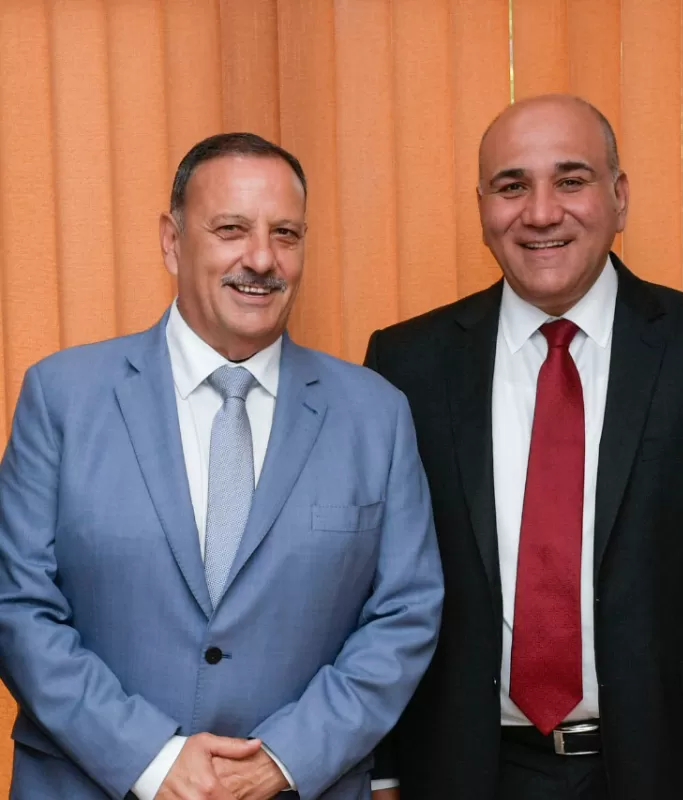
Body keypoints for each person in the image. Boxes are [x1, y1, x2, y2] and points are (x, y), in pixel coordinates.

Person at [364, 94, 683, 800]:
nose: (540, 212)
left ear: (619, 197)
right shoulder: (405, 365)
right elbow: (379, 592)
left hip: (675, 771)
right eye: (512, 186)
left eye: (571, 181)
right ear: (482, 207)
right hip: (465, 772)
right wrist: (382, 775)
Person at [0, 133, 444, 800]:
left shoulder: (376, 416)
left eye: (286, 234)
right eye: (231, 229)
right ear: (172, 241)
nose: (262, 258)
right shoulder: (62, 397)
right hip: (88, 784)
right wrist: (151, 758)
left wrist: (283, 760)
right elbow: (19, 606)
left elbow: (404, 613)